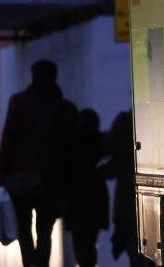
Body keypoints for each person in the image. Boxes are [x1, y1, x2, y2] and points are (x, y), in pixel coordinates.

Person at [0, 59, 78, 267]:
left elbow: (9, 140)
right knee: (45, 232)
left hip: (20, 179)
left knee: (24, 230)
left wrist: (1, 176)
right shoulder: (66, 108)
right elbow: (71, 150)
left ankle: (29, 263)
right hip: (52, 181)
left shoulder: (19, 102)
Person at [67, 109, 108, 267]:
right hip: (95, 204)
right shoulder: (100, 144)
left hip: (76, 205)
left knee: (80, 244)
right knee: (90, 244)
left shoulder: (72, 146)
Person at [100, 110, 139, 265]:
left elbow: (107, 151)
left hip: (126, 203)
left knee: (132, 245)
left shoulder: (125, 121)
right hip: (130, 202)